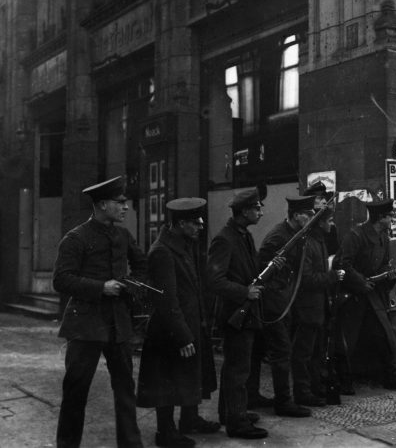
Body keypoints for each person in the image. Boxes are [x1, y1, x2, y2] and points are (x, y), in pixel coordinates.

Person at [53, 176, 146, 448]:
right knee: (76, 391)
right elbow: (61, 280)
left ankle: (131, 444)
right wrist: (100, 287)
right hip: (85, 326)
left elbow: (142, 266)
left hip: (118, 324)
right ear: (102, 204)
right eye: (120, 202)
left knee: (125, 389)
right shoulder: (76, 238)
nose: (125, 207)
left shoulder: (123, 236)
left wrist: (130, 285)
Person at [137, 198, 219, 447]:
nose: (201, 226)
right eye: (196, 222)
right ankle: (165, 432)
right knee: (168, 380)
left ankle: (190, 420)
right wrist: (183, 335)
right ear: (181, 223)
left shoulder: (182, 244)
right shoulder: (163, 251)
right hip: (170, 329)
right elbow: (167, 300)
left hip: (186, 323)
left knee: (187, 375)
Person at [206, 188, 276, 439]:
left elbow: (248, 271)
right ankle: (237, 423)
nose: (261, 211)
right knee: (238, 369)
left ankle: (230, 413)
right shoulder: (225, 239)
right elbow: (214, 281)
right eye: (257, 208)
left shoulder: (243, 236)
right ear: (244, 211)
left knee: (235, 367)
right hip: (235, 313)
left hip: (244, 312)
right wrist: (244, 292)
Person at [333, 199, 396, 395]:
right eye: (390, 216)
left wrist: (390, 274)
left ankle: (391, 378)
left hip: (373, 296)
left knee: (384, 336)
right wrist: (360, 282)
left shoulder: (383, 238)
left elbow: (384, 265)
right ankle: (342, 382)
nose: (392, 219)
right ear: (381, 218)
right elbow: (342, 263)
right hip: (353, 296)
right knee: (347, 341)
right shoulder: (355, 235)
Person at [257, 195, 315, 416]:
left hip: (284, 300)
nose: (310, 218)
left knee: (280, 351)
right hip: (274, 302)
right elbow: (260, 267)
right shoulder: (279, 236)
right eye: (307, 215)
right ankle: (283, 402)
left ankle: (268, 397)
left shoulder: (294, 234)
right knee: (281, 352)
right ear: (295, 215)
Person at [291, 206, 344, 406]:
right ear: (320, 223)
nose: (332, 224)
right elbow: (306, 279)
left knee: (315, 351)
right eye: (329, 221)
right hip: (308, 308)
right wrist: (332, 277)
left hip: (317, 308)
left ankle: (313, 388)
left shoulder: (319, 242)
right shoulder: (310, 244)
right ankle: (303, 392)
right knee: (304, 352)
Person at [303, 181, 338, 255]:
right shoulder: (303, 224)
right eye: (319, 198)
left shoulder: (329, 224)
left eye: (324, 198)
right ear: (309, 201)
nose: (324, 201)